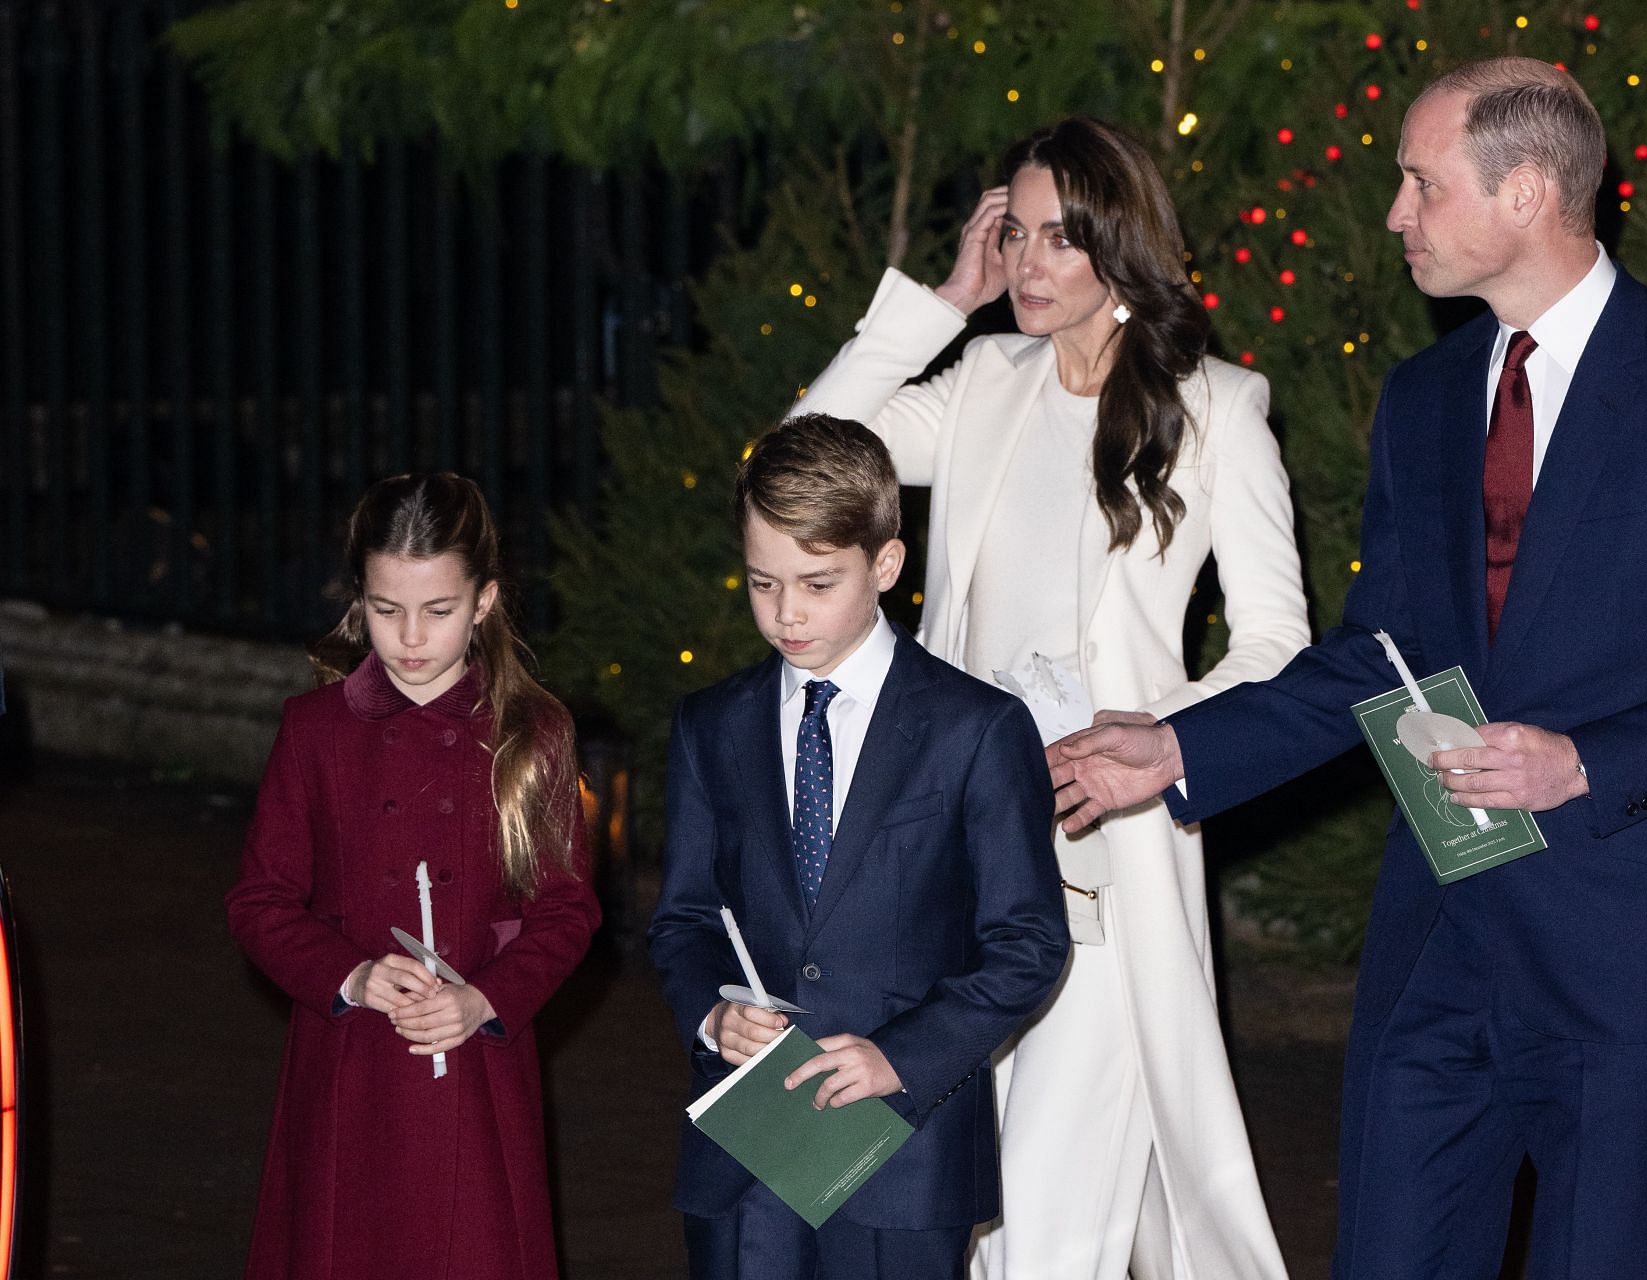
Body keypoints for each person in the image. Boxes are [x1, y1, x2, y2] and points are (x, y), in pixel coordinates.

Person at [1047, 58, 1647, 1277]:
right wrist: (1179, 747)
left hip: (1621, 954)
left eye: (1421, 183)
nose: (1397, 214)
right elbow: (1381, 652)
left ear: (1525, 191)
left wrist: (1586, 762)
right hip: (1439, 936)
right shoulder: (1424, 397)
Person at [795, 116, 1305, 1280]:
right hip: (955, 845)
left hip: (1104, 852)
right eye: (1013, 234)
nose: (1026, 261)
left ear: (1120, 246)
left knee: (1047, 1218)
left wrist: (1164, 735)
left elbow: (1279, 642)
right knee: (964, 1206)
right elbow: (809, 454)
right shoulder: (983, 381)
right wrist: (940, 299)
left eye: (1057, 238)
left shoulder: (1219, 405)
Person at [648, 414, 1069, 1280]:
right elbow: (683, 918)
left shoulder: (977, 728)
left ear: (885, 564)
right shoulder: (710, 725)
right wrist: (711, 1015)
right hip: (748, 1141)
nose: (786, 614)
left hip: (904, 1151)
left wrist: (899, 1056)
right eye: (763, 584)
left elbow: (1029, 942)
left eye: (816, 582)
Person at [228, 473, 600, 1280]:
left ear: (486, 600)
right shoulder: (315, 730)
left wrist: (487, 998)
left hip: (476, 1069)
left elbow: (567, 912)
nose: (410, 638)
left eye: (438, 610)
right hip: (349, 1067)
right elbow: (259, 901)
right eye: (385, 609)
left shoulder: (532, 733)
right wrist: (350, 974)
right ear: (358, 598)